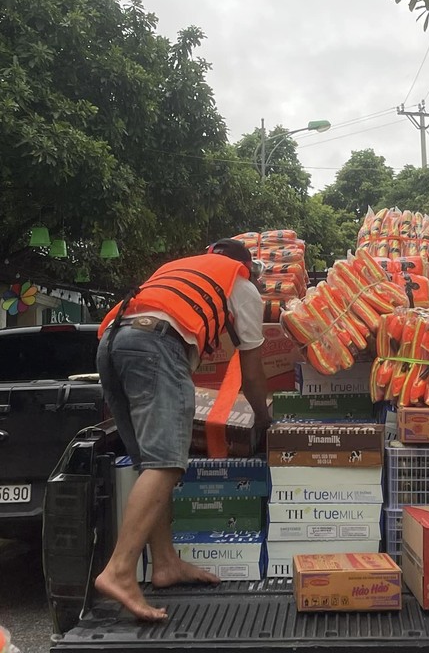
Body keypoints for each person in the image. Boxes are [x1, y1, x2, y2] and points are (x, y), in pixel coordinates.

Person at [94, 238, 269, 621]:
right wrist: (263, 418)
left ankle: (165, 563)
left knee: (149, 462)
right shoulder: (240, 284)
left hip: (112, 342)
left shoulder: (181, 267)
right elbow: (253, 374)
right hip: (156, 345)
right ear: (248, 268)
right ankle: (120, 570)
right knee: (168, 461)